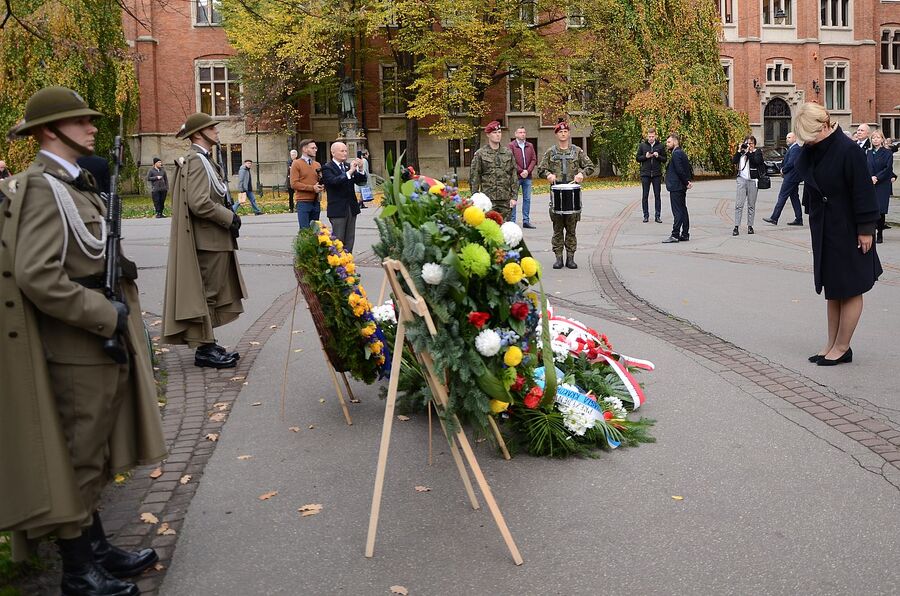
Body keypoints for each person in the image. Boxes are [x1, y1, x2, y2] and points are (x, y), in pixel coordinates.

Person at [0, 85, 166, 596]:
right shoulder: (43, 188)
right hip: (76, 345)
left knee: (93, 451)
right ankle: (78, 572)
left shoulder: (75, 185)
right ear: (50, 130)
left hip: (94, 342)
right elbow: (38, 275)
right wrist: (103, 313)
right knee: (78, 454)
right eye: (81, 121)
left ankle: (94, 548)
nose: (92, 126)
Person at [793, 102, 882, 366]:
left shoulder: (848, 150)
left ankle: (843, 347)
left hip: (850, 228)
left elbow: (863, 191)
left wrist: (867, 230)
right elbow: (809, 181)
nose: (807, 141)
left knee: (851, 288)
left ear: (825, 125)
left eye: (811, 135)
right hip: (825, 227)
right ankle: (830, 344)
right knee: (833, 288)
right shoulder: (814, 149)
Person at [162, 112, 248, 368]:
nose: (216, 131)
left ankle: (208, 342)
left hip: (213, 239)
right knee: (208, 293)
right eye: (212, 128)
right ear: (199, 133)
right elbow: (199, 202)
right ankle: (204, 349)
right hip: (208, 240)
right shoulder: (197, 161)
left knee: (212, 291)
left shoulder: (203, 160)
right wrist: (228, 217)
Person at [538, 120, 595, 269]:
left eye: (565, 131)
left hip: (572, 194)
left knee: (571, 229)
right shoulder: (551, 152)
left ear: (569, 134)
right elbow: (540, 169)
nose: (563, 134)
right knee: (557, 229)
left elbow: (590, 166)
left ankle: (570, 258)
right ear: (556, 134)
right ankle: (558, 258)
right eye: (560, 132)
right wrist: (548, 175)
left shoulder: (577, 151)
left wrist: (582, 174)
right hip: (556, 194)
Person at [321, 141, 366, 252]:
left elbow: (361, 182)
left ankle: (348, 264)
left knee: (350, 239)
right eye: (342, 151)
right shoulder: (327, 167)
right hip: (338, 209)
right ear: (333, 153)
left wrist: (360, 169)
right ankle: (337, 265)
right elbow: (333, 182)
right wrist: (350, 171)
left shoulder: (347, 166)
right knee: (338, 239)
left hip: (351, 208)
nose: (345, 153)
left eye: (346, 150)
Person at [469, 120, 518, 222]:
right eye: (494, 133)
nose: (498, 135)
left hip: (505, 199)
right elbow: (474, 177)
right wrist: (475, 196)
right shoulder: (481, 154)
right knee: (489, 228)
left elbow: (513, 175)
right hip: (488, 199)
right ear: (488, 135)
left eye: (499, 132)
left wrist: (514, 197)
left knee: (505, 230)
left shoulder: (507, 153)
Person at [763, 132, 803, 226]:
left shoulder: (796, 148)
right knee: (794, 198)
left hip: (791, 177)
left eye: (789, 137)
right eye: (786, 137)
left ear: (795, 138)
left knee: (782, 196)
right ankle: (799, 219)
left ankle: (774, 218)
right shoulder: (792, 148)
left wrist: (783, 170)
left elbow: (791, 163)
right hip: (792, 177)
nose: (787, 139)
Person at [661, 132, 693, 243]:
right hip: (680, 186)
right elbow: (687, 168)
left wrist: (686, 182)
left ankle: (675, 235)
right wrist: (687, 181)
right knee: (683, 209)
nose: (667, 144)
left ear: (675, 142)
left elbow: (680, 170)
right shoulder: (681, 153)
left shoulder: (676, 154)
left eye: (669, 142)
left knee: (678, 211)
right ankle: (685, 234)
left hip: (676, 187)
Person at [731, 135, 764, 236]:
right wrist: (739, 151)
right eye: (747, 143)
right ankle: (736, 226)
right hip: (741, 180)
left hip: (753, 181)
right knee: (739, 205)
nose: (749, 145)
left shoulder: (757, 152)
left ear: (754, 144)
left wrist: (749, 152)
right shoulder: (742, 152)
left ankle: (750, 226)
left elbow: (757, 161)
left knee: (751, 205)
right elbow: (733, 161)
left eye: (751, 143)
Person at [867, 130, 894, 244]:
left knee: (881, 210)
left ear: (882, 139)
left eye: (878, 137)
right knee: (871, 208)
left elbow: (888, 169)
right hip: (870, 183)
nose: (875, 140)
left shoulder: (887, 153)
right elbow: (865, 166)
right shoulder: (868, 153)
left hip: (882, 184)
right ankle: (871, 232)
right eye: (873, 138)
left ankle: (880, 233)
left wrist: (877, 177)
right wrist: (870, 177)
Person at [290, 138, 324, 229]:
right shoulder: (296, 163)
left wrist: (321, 185)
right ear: (305, 149)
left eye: (316, 148)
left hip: (316, 201)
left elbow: (319, 180)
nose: (315, 150)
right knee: (305, 230)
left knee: (316, 230)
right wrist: (312, 188)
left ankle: (315, 244)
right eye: (313, 148)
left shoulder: (317, 164)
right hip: (303, 202)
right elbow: (294, 184)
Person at [636, 127, 667, 223]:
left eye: (653, 136)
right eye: (649, 136)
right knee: (645, 195)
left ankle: (657, 216)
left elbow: (665, 159)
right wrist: (645, 156)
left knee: (657, 195)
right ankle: (646, 215)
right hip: (645, 174)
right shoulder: (642, 146)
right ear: (647, 136)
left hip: (657, 174)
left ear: (655, 136)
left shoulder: (660, 146)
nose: (651, 138)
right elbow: (637, 158)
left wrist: (658, 156)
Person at [508, 126, 537, 228]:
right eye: (520, 132)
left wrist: (527, 171)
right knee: (513, 198)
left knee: (527, 199)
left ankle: (526, 221)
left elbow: (534, 159)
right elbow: (511, 161)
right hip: (515, 177)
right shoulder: (511, 146)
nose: (522, 134)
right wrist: (521, 171)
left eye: (524, 132)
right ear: (516, 134)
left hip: (527, 177)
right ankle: (512, 221)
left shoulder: (530, 145)